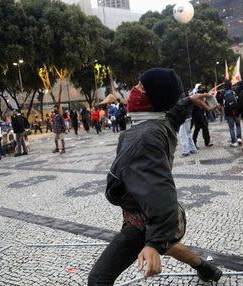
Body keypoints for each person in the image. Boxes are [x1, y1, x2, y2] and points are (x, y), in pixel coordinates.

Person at [88, 68, 221, 285]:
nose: (134, 90)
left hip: (142, 222)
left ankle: (188, 258)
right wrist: (189, 100)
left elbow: (162, 196)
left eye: (141, 87)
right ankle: (206, 268)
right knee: (170, 245)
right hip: (147, 211)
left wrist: (152, 243)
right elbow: (173, 113)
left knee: (97, 280)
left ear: (152, 98)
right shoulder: (161, 123)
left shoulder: (145, 138)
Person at [225, 80, 242, 147]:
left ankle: (234, 142)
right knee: (238, 125)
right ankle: (239, 138)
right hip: (236, 111)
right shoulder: (234, 92)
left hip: (229, 112)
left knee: (231, 127)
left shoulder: (224, 93)